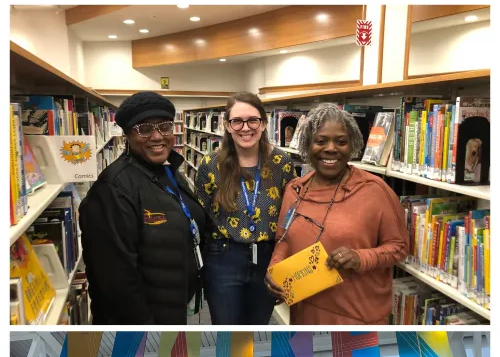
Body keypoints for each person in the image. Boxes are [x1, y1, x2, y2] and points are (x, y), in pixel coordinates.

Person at [265, 103, 409, 324]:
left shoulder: (376, 191)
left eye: (341, 142)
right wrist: (275, 269)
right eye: (321, 141)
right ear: (307, 144)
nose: (331, 148)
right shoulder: (295, 189)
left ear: (352, 146)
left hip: (357, 317)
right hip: (304, 313)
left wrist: (361, 258)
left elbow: (399, 247)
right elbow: (283, 239)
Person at [79, 91, 207, 324]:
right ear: (127, 134)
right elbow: (117, 282)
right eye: (144, 129)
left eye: (165, 127)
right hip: (143, 321)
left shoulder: (167, 171)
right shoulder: (113, 189)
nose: (157, 136)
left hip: (171, 306)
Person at [195, 92, 295, 325]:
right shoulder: (211, 164)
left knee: (258, 328)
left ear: (263, 123)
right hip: (224, 258)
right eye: (237, 121)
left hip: (268, 258)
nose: (245, 128)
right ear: (227, 126)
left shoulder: (282, 163)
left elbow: (291, 214)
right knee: (226, 329)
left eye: (253, 120)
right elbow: (202, 215)